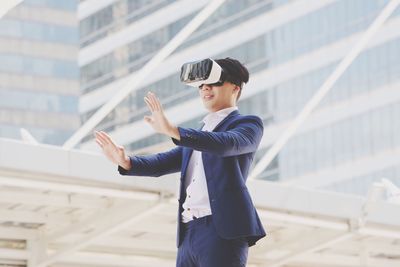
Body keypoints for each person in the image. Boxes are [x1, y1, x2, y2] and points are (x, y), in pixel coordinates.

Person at [95, 57, 266, 267]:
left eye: (214, 83)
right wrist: (126, 161)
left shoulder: (248, 124)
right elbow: (161, 163)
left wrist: (174, 131)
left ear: (235, 88)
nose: (205, 88)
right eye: (201, 85)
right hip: (188, 233)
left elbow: (227, 144)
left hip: (221, 230)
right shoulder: (200, 133)